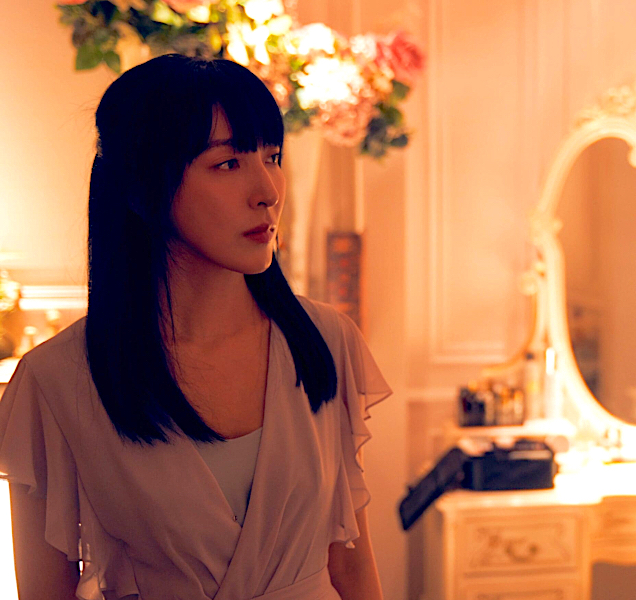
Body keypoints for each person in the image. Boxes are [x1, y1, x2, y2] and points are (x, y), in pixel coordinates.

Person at [0, 54, 390, 599]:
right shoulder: (57, 381)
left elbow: (351, 566)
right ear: (144, 186)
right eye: (228, 164)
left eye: (272, 157)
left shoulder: (324, 341)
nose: (268, 190)